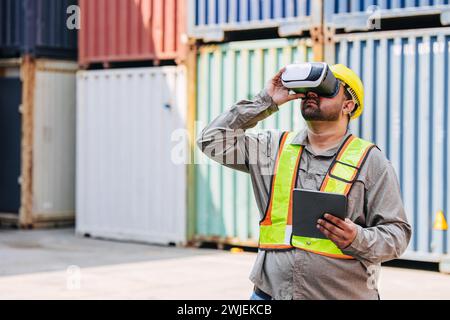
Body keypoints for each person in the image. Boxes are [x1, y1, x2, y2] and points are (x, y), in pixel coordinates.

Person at [197, 63, 412, 300]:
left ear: (347, 105)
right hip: (269, 295)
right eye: (309, 90)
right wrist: (265, 101)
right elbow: (210, 140)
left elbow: (397, 234)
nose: (312, 94)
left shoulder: (372, 161)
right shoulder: (272, 148)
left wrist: (357, 238)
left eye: (325, 88)